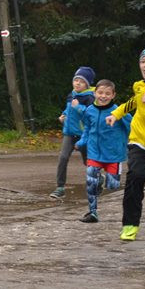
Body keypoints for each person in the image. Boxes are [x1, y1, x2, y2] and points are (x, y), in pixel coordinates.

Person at [106, 46, 145, 241]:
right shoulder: (139, 86)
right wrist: (115, 114)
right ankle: (130, 225)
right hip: (139, 141)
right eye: (143, 61)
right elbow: (133, 102)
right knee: (135, 177)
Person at [73, 79, 131, 223]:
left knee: (113, 186)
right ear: (94, 93)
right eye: (100, 93)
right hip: (94, 152)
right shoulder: (89, 111)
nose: (103, 96)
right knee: (91, 181)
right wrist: (81, 142)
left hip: (113, 154)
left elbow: (133, 126)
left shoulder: (119, 111)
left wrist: (136, 142)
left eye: (107, 93)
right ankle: (92, 213)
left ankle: (102, 179)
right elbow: (87, 128)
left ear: (113, 95)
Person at [48, 66, 97, 199]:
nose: (77, 83)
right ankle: (60, 188)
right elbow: (68, 109)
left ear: (87, 84)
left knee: (88, 161)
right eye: (76, 80)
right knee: (63, 158)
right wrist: (62, 116)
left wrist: (79, 107)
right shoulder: (72, 94)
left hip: (84, 135)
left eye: (81, 81)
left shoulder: (90, 97)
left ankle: (98, 177)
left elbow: (91, 114)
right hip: (69, 133)